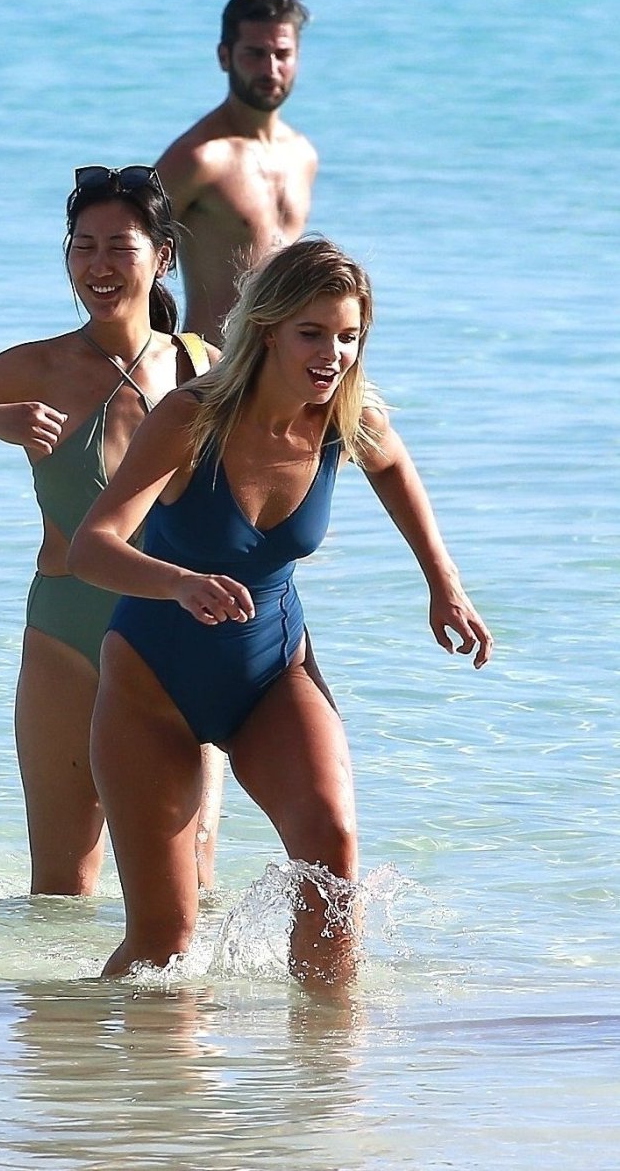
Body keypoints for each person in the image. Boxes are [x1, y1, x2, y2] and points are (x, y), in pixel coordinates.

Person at [68, 236, 493, 986]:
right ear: (268, 330)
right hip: (151, 684)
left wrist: (443, 581)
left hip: (272, 672)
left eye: (349, 337)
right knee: (164, 940)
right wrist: (178, 582)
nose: (333, 355)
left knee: (332, 854)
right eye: (312, 334)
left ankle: (325, 1050)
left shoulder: (344, 420)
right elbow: (92, 548)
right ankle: (87, 1054)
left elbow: (394, 465)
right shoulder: (191, 418)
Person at [0, 165, 225, 896]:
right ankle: (56, 982)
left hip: (178, 633)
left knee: (190, 879)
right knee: (62, 886)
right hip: (67, 631)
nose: (99, 266)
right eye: (83, 247)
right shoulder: (32, 368)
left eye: (120, 247)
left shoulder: (205, 370)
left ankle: (182, 983)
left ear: (163, 256)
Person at [156, 0, 318, 344]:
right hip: (213, 360)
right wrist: (155, 351)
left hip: (281, 361)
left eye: (282, 54)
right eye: (255, 54)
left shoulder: (303, 155)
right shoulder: (199, 157)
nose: (270, 69)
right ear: (224, 57)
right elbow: (132, 256)